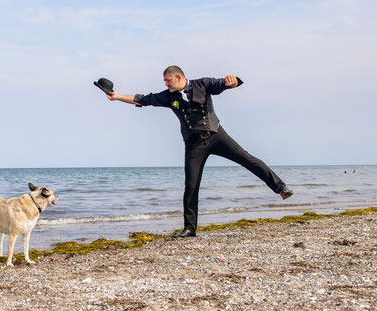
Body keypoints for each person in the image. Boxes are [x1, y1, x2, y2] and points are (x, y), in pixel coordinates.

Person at [105, 65, 292, 238]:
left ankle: (280, 187)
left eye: (168, 80)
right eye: (165, 81)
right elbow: (143, 99)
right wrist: (118, 96)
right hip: (193, 145)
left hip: (216, 135)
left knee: (247, 159)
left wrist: (233, 81)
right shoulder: (168, 96)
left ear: (179, 78)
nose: (165, 83)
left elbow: (225, 83)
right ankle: (189, 228)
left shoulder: (202, 84)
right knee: (191, 185)